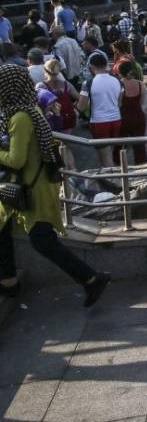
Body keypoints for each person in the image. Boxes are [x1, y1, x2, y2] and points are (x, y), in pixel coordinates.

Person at [0, 65, 111, 305]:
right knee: (29, 234)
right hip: (39, 183)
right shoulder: (29, 109)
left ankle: (92, 278)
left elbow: (16, 160)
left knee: (41, 239)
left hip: (32, 187)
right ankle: (9, 280)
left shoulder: (19, 118)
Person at [77, 51, 123, 168]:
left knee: (106, 157)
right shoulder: (118, 80)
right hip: (116, 119)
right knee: (109, 153)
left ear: (92, 67)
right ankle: (109, 177)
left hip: (99, 122)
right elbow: (119, 102)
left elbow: (81, 106)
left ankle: (113, 181)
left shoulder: (88, 83)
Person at [115, 60, 147, 165]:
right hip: (138, 115)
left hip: (123, 116)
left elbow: (119, 103)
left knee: (119, 143)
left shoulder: (119, 84)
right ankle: (141, 165)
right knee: (139, 144)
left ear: (120, 72)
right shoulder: (140, 84)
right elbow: (142, 102)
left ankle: (119, 163)